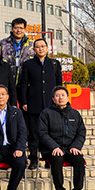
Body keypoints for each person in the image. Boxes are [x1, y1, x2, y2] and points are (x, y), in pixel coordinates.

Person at [18, 38, 63, 170]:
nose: (40, 49)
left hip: (51, 105)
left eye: (43, 46)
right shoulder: (28, 64)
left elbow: (59, 85)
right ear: (34, 49)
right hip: (33, 104)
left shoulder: (54, 64)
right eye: (37, 47)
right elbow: (23, 85)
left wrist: (59, 101)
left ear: (47, 48)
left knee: (51, 133)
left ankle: (50, 158)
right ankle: (33, 159)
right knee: (33, 134)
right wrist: (24, 102)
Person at [39, 86, 87, 190]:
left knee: (79, 159)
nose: (60, 98)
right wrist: (54, 147)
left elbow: (81, 132)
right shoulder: (46, 113)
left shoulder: (75, 114)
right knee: (57, 158)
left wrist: (76, 146)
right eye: (57, 95)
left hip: (70, 148)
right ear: (53, 99)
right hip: (52, 149)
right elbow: (42, 133)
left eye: (63, 95)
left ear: (68, 98)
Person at [0, 18, 35, 83]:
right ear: (12, 29)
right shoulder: (3, 43)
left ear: (25, 29)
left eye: (21, 28)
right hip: (7, 79)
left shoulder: (32, 44)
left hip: (26, 80)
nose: (18, 30)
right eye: (16, 28)